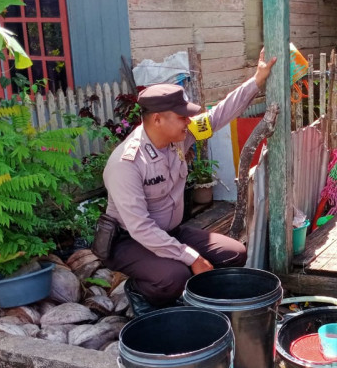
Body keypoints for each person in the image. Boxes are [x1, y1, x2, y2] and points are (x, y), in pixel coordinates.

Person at [100, 50, 277, 314]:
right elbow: (141, 229)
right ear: (157, 119)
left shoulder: (180, 136)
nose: (189, 121)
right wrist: (191, 257)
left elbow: (217, 116)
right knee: (174, 275)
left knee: (235, 253)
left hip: (169, 232)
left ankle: (195, 299)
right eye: (182, 117)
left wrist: (257, 80)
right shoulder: (126, 164)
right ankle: (141, 291)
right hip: (129, 241)